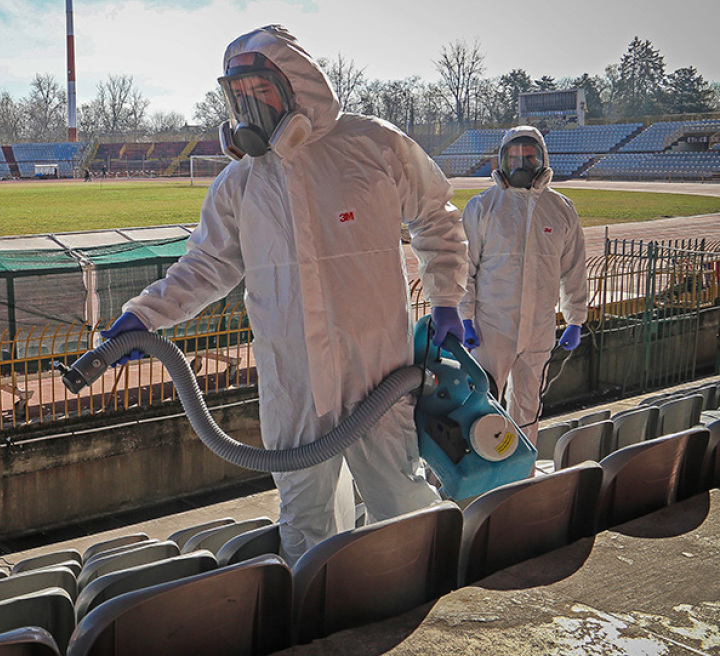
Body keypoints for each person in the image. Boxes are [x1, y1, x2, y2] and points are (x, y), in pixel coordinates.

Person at [99, 25, 468, 564]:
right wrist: (144, 316)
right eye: (237, 94)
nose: (247, 105)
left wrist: (447, 300)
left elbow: (436, 216)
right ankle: (327, 618)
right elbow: (206, 264)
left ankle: (423, 603)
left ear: (296, 85)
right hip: (291, 381)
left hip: (378, 375)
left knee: (402, 504)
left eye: (259, 90)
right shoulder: (239, 183)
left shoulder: (372, 145)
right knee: (307, 524)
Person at [458, 126, 588, 446]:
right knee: (480, 405)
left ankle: (520, 472)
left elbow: (574, 269)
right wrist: (465, 316)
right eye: (514, 156)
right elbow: (464, 268)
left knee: (528, 408)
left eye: (529, 155)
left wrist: (575, 319)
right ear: (502, 160)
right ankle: (482, 472)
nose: (521, 162)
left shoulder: (561, 209)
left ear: (541, 158)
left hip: (539, 328)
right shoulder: (482, 207)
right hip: (490, 327)